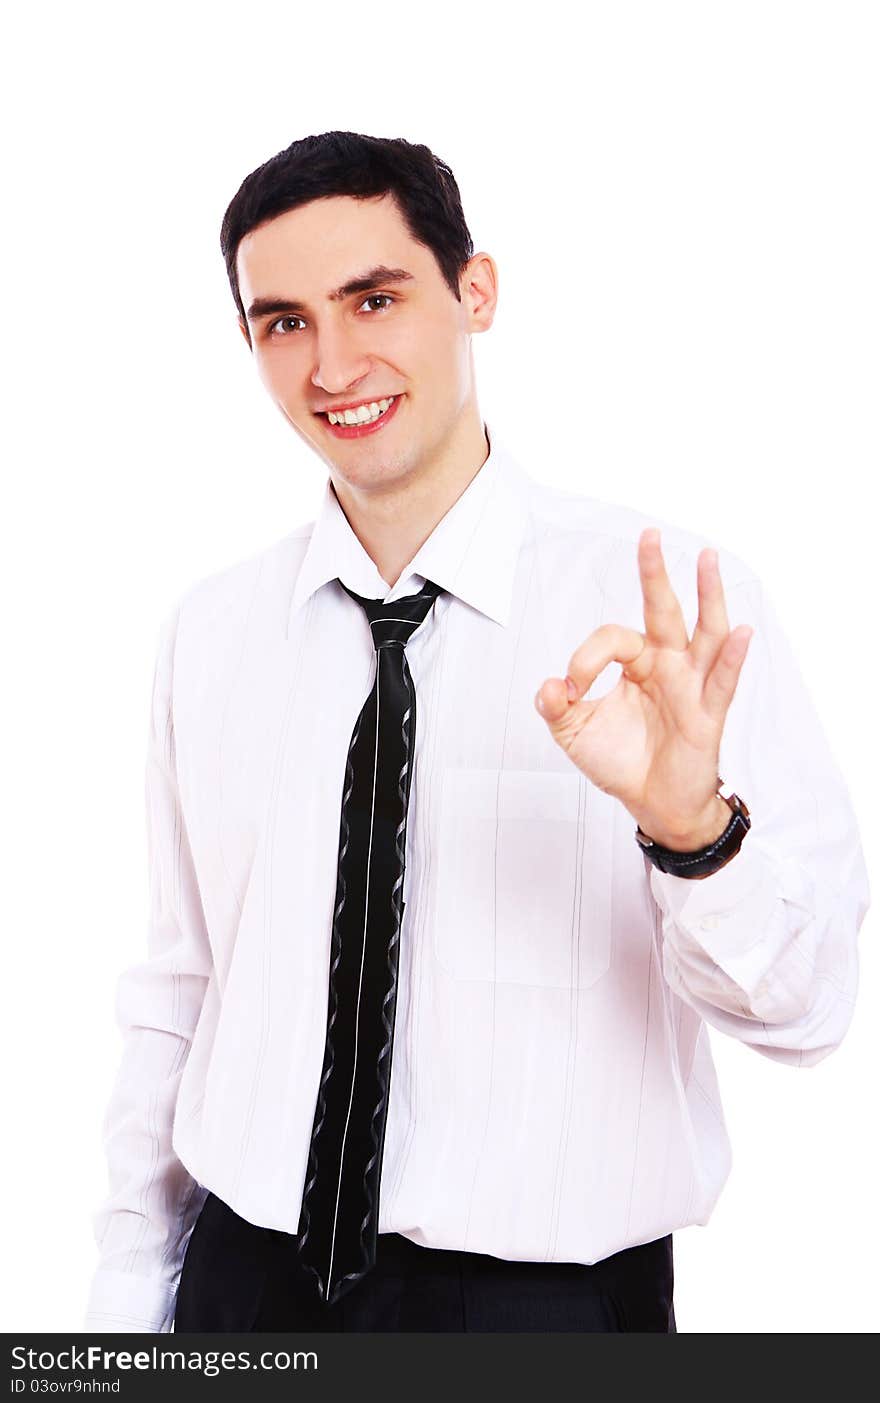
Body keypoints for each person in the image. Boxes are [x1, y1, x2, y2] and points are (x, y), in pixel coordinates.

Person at [83, 131, 869, 1334]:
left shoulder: (667, 611)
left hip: (541, 1311)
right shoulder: (210, 631)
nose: (333, 363)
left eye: (375, 298)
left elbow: (809, 1012)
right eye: (283, 322)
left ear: (475, 292)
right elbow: (182, 982)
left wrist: (690, 829)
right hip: (241, 1286)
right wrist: (125, 1301)